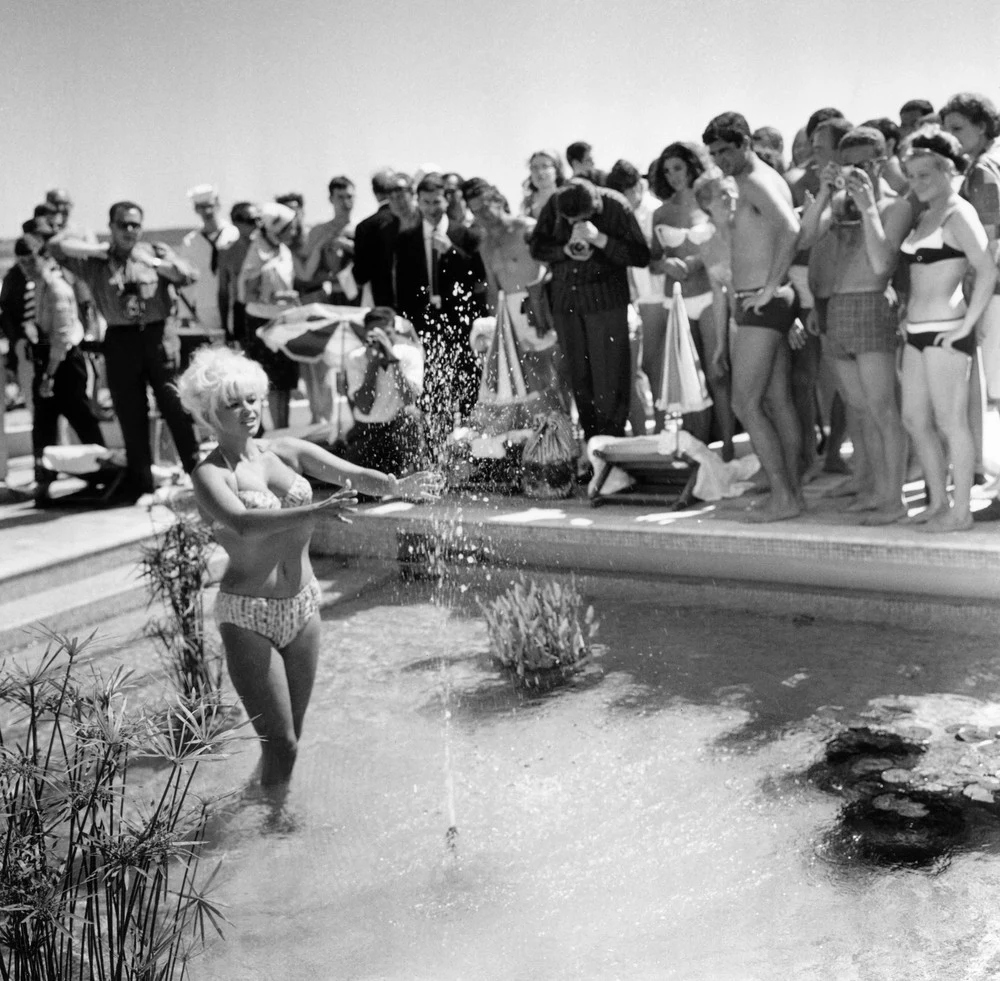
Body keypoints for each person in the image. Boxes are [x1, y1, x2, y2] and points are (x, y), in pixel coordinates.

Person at [177, 346, 442, 786]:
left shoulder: (284, 450)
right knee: (281, 741)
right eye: (232, 403)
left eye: (252, 399)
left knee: (289, 738)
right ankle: (276, 828)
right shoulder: (209, 475)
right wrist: (312, 512)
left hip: (303, 606)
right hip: (248, 614)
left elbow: (350, 475)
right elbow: (243, 524)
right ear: (208, 413)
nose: (247, 410)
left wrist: (395, 485)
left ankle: (263, 802)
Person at [48, 201, 201, 502]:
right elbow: (55, 247)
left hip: (158, 337)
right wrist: (94, 250)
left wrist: (155, 264)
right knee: (131, 415)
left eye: (135, 224)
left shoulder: (155, 252)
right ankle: (142, 484)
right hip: (120, 340)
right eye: (123, 225)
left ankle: (200, 478)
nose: (130, 230)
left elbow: (187, 274)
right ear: (112, 227)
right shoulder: (96, 263)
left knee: (176, 409)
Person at [799, 125, 911, 525]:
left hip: (870, 302)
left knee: (882, 410)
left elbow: (882, 263)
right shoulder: (841, 203)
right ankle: (871, 488)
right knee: (858, 410)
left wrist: (867, 206)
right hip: (837, 307)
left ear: (881, 162)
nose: (856, 173)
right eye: (847, 166)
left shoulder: (896, 206)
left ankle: (893, 499)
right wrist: (827, 191)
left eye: (863, 165)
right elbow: (805, 236)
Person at [703, 111, 802, 522]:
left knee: (745, 401)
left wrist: (770, 286)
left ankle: (786, 496)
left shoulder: (757, 181)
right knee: (776, 400)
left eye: (726, 150)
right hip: (761, 301)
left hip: (762, 303)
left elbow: (792, 229)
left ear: (745, 143)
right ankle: (790, 490)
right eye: (713, 153)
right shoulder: (751, 181)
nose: (720, 159)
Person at [897, 126, 997, 532]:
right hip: (917, 332)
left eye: (925, 175)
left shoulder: (959, 212)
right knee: (914, 420)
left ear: (947, 170)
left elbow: (987, 270)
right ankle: (938, 501)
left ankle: (961, 512)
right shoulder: (925, 215)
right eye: (912, 175)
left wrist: (967, 327)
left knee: (951, 422)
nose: (917, 183)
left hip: (945, 331)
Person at [529, 178, 650, 441]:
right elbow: (537, 247)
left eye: (580, 219)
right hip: (566, 305)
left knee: (609, 381)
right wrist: (564, 250)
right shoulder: (555, 203)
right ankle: (592, 447)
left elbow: (641, 255)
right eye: (569, 220)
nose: (574, 224)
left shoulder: (616, 205)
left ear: (595, 206)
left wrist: (601, 240)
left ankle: (611, 450)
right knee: (579, 380)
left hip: (605, 304)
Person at [648, 142, 733, 449]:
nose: (673, 176)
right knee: (687, 378)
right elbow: (653, 260)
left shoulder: (707, 203)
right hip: (677, 301)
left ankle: (727, 446)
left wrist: (699, 261)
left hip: (710, 296)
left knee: (717, 373)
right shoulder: (660, 212)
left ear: (692, 165)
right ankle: (698, 447)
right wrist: (664, 264)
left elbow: (725, 242)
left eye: (678, 168)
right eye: (667, 170)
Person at [941, 93, 1000, 507]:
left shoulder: (983, 170)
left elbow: (989, 246)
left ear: (982, 126)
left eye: (958, 127)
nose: (952, 136)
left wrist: (975, 308)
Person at [394, 172, 488, 433]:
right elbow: (402, 288)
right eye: (426, 202)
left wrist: (452, 251)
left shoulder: (465, 235)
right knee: (433, 392)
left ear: (447, 201)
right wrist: (405, 325)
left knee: (468, 386)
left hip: (461, 325)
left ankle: (472, 452)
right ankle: (437, 454)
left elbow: (478, 277)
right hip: (424, 326)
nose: (432, 209)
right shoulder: (406, 239)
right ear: (418, 203)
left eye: (437, 202)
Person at [462, 177, 568, 406]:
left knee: (557, 373)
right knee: (532, 380)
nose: (483, 215)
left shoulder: (526, 227)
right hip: (510, 313)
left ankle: (570, 431)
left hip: (539, 307)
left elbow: (551, 266)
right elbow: (493, 287)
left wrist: (539, 300)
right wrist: (493, 325)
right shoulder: (485, 244)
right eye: (476, 211)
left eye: (485, 207)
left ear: (498, 200)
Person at [17, 238, 106, 504]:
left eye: (31, 260)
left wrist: (49, 376)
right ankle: (43, 482)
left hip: (65, 366)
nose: (27, 267)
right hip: (49, 364)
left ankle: (102, 476)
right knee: (42, 428)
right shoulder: (38, 287)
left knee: (83, 422)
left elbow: (62, 337)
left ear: (44, 257)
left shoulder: (56, 288)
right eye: (22, 263)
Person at [337, 306, 427, 473]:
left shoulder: (409, 353)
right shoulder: (355, 358)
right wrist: (372, 364)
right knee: (361, 492)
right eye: (374, 333)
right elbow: (364, 407)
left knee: (410, 416)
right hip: (368, 429)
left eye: (385, 333)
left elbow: (409, 399)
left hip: (398, 428)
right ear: (365, 333)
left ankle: (413, 471)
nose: (380, 338)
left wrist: (393, 361)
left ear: (394, 330)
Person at [606, 158, 660, 436]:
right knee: (641, 369)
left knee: (654, 366)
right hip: (638, 302)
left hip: (661, 298)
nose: (626, 197)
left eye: (629, 190)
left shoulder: (655, 210)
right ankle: (648, 434)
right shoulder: (622, 215)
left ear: (639, 185)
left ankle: (659, 430)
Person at [237, 202, 301, 430]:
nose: (293, 232)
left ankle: (282, 430)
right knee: (270, 381)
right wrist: (279, 296)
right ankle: (270, 433)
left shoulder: (282, 251)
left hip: (282, 322)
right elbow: (248, 293)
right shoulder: (258, 253)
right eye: (289, 228)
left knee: (284, 382)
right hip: (262, 324)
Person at [176, 185, 240, 367]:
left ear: (218, 204)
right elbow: (186, 281)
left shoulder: (233, 234)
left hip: (230, 311)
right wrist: (185, 314)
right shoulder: (190, 242)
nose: (207, 211)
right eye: (201, 207)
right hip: (202, 313)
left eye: (210, 205)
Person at [353, 168, 400, 307]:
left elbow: (360, 276)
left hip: (381, 304)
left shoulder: (365, 227)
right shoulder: (413, 220)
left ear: (375, 192)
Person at [217, 201, 261, 345]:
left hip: (265, 305)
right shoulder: (227, 253)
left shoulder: (267, 248)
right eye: (248, 220)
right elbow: (223, 291)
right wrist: (224, 326)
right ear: (235, 222)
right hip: (241, 310)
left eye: (257, 219)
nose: (254, 225)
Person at [521, 149, 568, 219]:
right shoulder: (527, 202)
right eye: (534, 168)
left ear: (557, 170)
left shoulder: (566, 198)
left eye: (545, 166)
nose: (539, 172)